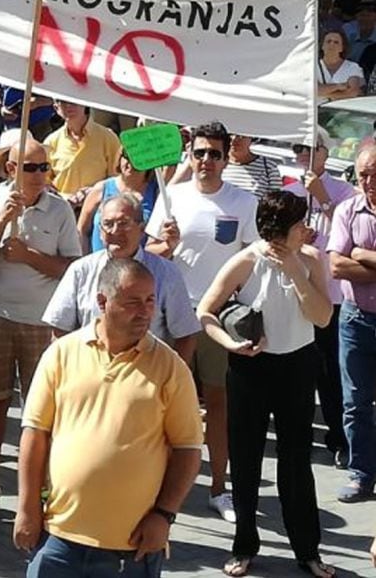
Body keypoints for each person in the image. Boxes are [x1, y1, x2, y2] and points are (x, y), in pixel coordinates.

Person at [14, 257, 204, 577]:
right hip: (59, 537)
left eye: (150, 300)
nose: (145, 311)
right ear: (102, 301)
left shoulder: (171, 368)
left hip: (132, 546)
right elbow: (35, 433)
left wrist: (164, 515)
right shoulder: (61, 353)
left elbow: (188, 449)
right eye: (132, 302)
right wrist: (27, 508)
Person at [197, 191, 334, 578]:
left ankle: (308, 550)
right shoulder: (245, 260)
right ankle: (244, 546)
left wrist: (295, 272)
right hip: (251, 369)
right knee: (246, 459)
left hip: (298, 366)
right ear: (279, 230)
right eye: (299, 225)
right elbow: (205, 310)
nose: (306, 230)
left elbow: (323, 318)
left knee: (296, 462)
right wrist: (230, 344)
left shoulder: (311, 260)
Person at [0, 138, 81, 521]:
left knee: (40, 411)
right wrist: (1, 222)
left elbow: (71, 268)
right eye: (31, 168)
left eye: (44, 167)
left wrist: (30, 256)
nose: (40, 175)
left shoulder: (59, 209)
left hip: (41, 324)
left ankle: (43, 491)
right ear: (11, 169)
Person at [146, 121, 259, 522]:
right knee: (161, 402)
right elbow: (151, 252)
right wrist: (167, 244)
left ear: (227, 158)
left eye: (214, 153)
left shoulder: (244, 203)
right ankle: (154, 483)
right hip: (170, 314)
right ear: (189, 156)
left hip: (216, 318)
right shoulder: (170, 196)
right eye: (199, 153)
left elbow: (253, 259)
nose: (206, 161)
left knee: (217, 402)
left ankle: (218, 488)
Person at [44, 192, 202, 362]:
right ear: (99, 230)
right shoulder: (81, 270)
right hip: (89, 372)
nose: (115, 231)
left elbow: (186, 334)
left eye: (123, 223)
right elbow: (59, 328)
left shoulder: (166, 273)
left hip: (146, 374)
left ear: (142, 229)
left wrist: (172, 378)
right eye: (108, 224)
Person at [285, 131, 354, 468]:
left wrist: (322, 197)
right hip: (296, 292)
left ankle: (340, 438)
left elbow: (348, 231)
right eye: (299, 149)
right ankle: (298, 434)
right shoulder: (288, 191)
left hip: (333, 294)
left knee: (331, 373)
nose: (304, 155)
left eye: (310, 149)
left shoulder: (344, 191)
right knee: (298, 370)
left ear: (325, 153)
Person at [328, 146, 376, 502]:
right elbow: (336, 267)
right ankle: (361, 472)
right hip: (355, 319)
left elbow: (349, 259)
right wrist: (355, 259)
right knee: (355, 401)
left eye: (374, 173)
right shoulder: (347, 210)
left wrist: (360, 253)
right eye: (362, 175)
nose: (369, 182)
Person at [76, 148, 158, 254]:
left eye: (139, 157)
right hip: (100, 265)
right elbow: (82, 230)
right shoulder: (101, 189)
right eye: (126, 156)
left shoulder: (156, 193)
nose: (131, 162)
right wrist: (86, 260)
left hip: (139, 267)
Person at [43, 100, 122, 203]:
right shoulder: (51, 142)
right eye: (62, 102)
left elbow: (117, 179)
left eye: (73, 101)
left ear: (85, 103)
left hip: (99, 207)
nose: (68, 105)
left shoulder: (108, 137)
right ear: (56, 108)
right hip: (62, 208)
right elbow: (44, 182)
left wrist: (94, 192)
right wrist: (64, 197)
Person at [221, 134, 285, 200]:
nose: (234, 139)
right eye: (230, 135)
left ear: (251, 138)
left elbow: (275, 201)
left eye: (241, 136)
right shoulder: (216, 163)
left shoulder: (268, 167)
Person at [318, 29, 363, 103]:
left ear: (342, 48)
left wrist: (323, 92)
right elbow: (313, 90)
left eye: (336, 42)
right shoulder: (312, 66)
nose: (331, 44)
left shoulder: (353, 67)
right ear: (322, 46)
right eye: (328, 41)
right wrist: (338, 86)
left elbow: (353, 92)